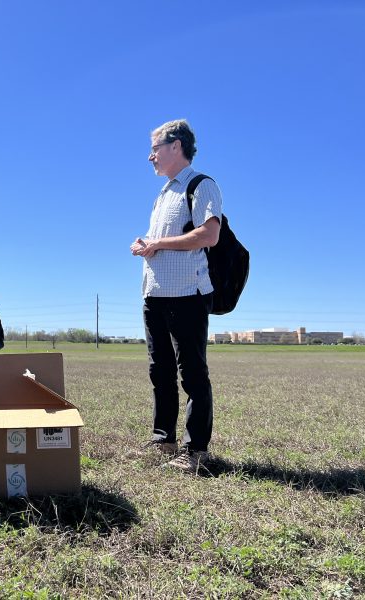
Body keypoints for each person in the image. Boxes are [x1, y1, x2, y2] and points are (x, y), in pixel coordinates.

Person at [129, 119, 222, 473]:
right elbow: (165, 243)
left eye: (155, 148)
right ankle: (163, 439)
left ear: (176, 146)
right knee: (160, 370)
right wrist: (147, 245)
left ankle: (196, 450)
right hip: (155, 294)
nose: (150, 156)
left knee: (192, 372)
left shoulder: (201, 185)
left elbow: (208, 235)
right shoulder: (163, 193)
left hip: (187, 294)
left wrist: (157, 244)